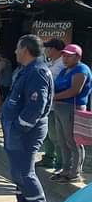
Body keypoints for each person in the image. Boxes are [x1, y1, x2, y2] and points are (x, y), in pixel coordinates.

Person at [0, 35, 53, 202]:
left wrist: (19, 127)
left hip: (26, 132)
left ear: (25, 50)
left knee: (24, 172)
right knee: (17, 172)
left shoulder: (37, 72)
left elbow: (36, 105)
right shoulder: (26, 70)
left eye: (17, 48)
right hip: (18, 130)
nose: (15, 52)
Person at [51, 44, 92, 183]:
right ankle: (65, 169)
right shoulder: (65, 70)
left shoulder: (81, 69)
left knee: (73, 141)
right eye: (64, 55)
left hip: (72, 108)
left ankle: (75, 173)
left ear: (78, 57)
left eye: (69, 56)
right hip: (60, 108)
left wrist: (53, 97)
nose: (65, 58)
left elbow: (75, 91)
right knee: (62, 140)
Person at [36, 38, 66, 170]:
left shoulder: (62, 65)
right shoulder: (51, 63)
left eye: (48, 48)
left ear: (54, 49)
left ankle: (60, 163)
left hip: (57, 106)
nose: (46, 51)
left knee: (56, 136)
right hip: (47, 106)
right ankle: (49, 158)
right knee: (47, 135)